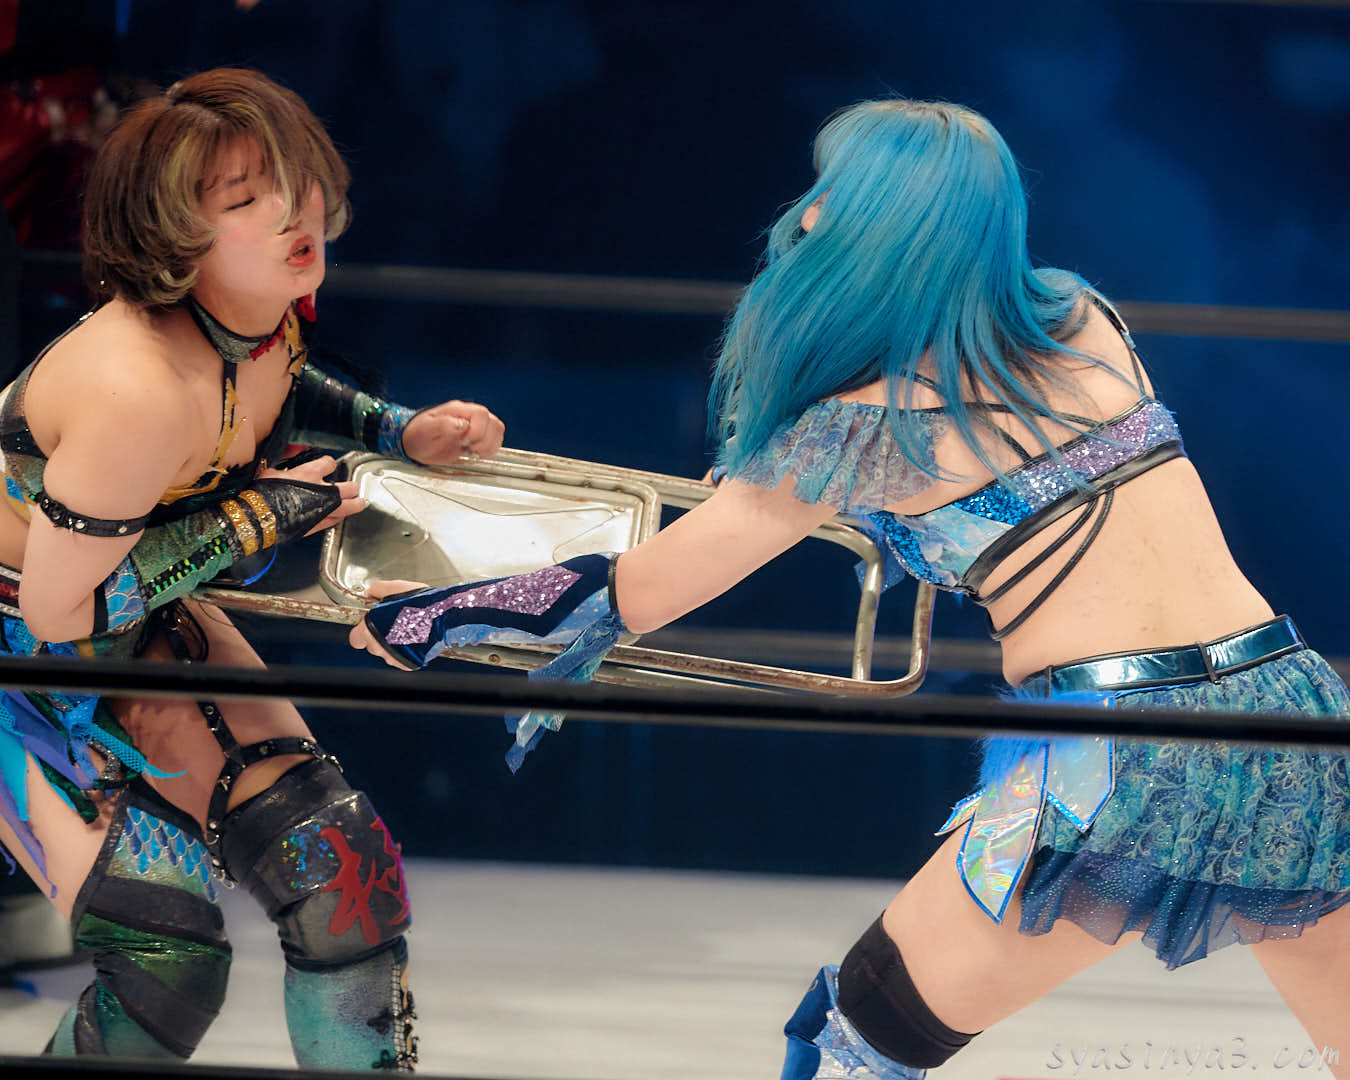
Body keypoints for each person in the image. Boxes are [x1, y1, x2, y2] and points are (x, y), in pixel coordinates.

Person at [350, 98, 1349, 1075]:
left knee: (856, 1036)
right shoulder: (1084, 321)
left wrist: (424, 612)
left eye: (831, 190)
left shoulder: (866, 428)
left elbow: (637, 592)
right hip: (1292, 706)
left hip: (1123, 752)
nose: (809, 211)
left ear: (871, 221)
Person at [0, 67, 503, 1070]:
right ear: (174, 232)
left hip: (137, 613)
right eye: (244, 199)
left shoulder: (260, 316)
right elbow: (57, 611)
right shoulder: (133, 388)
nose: (291, 215)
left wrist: (399, 432)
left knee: (344, 882)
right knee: (167, 957)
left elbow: (276, 388)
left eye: (294, 182)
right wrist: (253, 519)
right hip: (23, 655)